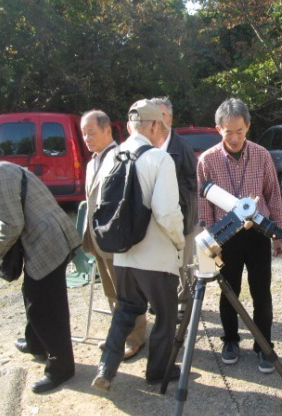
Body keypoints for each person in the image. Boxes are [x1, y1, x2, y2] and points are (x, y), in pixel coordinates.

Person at [0, 137, 81, 394]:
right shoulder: (2, 168)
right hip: (53, 238)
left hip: (47, 245)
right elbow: (15, 216)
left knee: (45, 308)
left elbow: (13, 225)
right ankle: (36, 344)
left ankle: (61, 367)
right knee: (34, 296)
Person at [91, 100, 185, 392]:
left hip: (123, 256)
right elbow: (166, 212)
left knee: (125, 311)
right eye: (163, 126)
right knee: (166, 316)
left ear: (131, 125)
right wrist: (180, 242)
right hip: (156, 258)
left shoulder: (111, 157)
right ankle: (158, 372)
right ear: (156, 125)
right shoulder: (159, 158)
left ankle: (106, 369)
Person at [197, 98, 282, 374]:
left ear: (248, 126)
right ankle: (231, 341)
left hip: (258, 233)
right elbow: (204, 205)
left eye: (240, 131)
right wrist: (212, 244)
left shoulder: (261, 155)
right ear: (218, 129)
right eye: (228, 132)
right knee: (228, 291)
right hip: (226, 237)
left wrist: (278, 233)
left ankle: (264, 346)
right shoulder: (207, 160)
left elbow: (273, 193)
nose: (234, 138)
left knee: (262, 292)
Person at [80, 110, 146, 360]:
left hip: (116, 238)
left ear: (107, 130)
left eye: (91, 133)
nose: (86, 138)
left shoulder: (122, 157)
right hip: (97, 239)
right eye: (84, 133)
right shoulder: (91, 161)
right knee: (110, 291)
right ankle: (118, 334)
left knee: (127, 292)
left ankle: (136, 338)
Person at [150, 97, 198, 319]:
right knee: (158, 261)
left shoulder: (181, 147)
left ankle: (184, 302)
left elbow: (192, 183)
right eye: (155, 116)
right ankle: (161, 300)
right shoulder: (146, 144)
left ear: (170, 118)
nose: (159, 121)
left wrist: (171, 196)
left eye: (163, 116)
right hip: (153, 219)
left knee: (184, 263)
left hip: (182, 217)